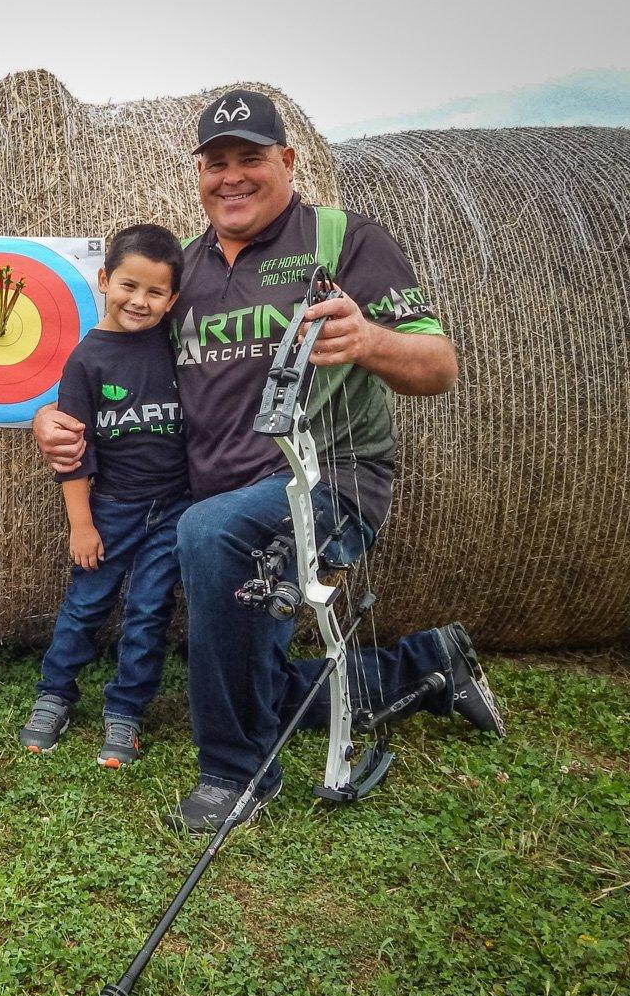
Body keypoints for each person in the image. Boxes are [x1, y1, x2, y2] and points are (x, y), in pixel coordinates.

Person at [34, 90, 506, 832]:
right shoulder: (182, 272)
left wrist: (371, 342)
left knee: (207, 535)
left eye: (250, 158)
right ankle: (426, 664)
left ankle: (236, 772)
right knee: (255, 685)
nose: (232, 177)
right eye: (215, 162)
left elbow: (439, 364)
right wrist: (52, 417)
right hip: (223, 505)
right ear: (198, 173)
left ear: (286, 160)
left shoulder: (341, 240)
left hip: (330, 484)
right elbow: (116, 362)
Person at [19, 225, 189, 769]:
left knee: (148, 610)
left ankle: (126, 710)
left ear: (173, 298)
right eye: (128, 285)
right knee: (87, 603)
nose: (139, 301)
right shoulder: (87, 360)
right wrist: (82, 524)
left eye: (155, 292)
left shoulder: (177, 349)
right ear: (103, 280)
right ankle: (55, 693)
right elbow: (73, 452)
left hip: (175, 508)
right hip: (112, 506)